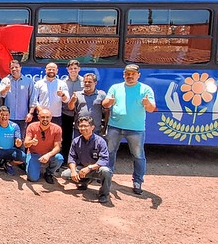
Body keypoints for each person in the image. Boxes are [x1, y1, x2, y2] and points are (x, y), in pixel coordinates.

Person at [102, 64, 156, 195]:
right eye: (127, 74)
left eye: (133, 74)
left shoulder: (145, 89)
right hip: (115, 126)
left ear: (138, 75)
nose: (130, 76)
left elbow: (151, 108)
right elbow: (105, 104)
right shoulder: (115, 88)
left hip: (136, 129)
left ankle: (137, 181)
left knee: (138, 156)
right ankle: (106, 177)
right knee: (109, 152)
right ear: (123, 75)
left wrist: (147, 104)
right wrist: (109, 102)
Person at [60, 116, 113, 204]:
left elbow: (104, 159)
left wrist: (89, 168)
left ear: (92, 127)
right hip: (82, 169)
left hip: (96, 169)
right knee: (65, 174)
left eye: (85, 126)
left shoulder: (100, 141)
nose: (83, 128)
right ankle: (84, 182)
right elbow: (71, 157)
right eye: (80, 126)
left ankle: (104, 194)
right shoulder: (76, 141)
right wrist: (73, 171)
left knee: (106, 171)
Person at [23, 109, 63, 183]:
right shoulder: (31, 126)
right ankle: (31, 165)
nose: (45, 119)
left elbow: (57, 147)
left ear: (51, 118)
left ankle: (49, 173)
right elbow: (25, 144)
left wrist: (48, 155)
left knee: (59, 158)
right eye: (43, 117)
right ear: (38, 117)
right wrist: (31, 142)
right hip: (34, 154)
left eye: (47, 117)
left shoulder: (57, 129)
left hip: (48, 154)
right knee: (33, 178)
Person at [0, 106, 25, 175]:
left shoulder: (14, 126)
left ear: (9, 115)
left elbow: (17, 142)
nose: (4, 117)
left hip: (10, 150)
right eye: (2, 115)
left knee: (23, 157)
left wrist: (19, 142)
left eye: (6, 115)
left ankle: (8, 164)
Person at [0, 59, 35, 135]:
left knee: (20, 139)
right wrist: (5, 89)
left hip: (23, 117)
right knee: (8, 139)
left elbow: (32, 98)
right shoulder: (5, 80)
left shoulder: (28, 81)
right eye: (12, 68)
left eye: (16, 67)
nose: (14, 69)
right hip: (8, 117)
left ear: (20, 67)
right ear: (9, 69)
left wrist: (30, 113)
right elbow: (0, 94)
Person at [68, 73, 108, 138]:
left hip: (95, 130)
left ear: (95, 83)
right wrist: (72, 100)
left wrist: (105, 127)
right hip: (79, 129)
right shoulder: (77, 94)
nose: (87, 84)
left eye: (89, 82)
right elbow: (70, 108)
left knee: (95, 148)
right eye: (85, 82)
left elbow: (106, 111)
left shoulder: (101, 94)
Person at [60, 60, 83, 164]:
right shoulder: (63, 82)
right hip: (66, 113)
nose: (73, 71)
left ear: (79, 69)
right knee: (66, 137)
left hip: (79, 113)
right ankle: (65, 159)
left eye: (75, 68)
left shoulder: (83, 82)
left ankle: (78, 159)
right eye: (71, 68)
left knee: (79, 137)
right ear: (67, 70)